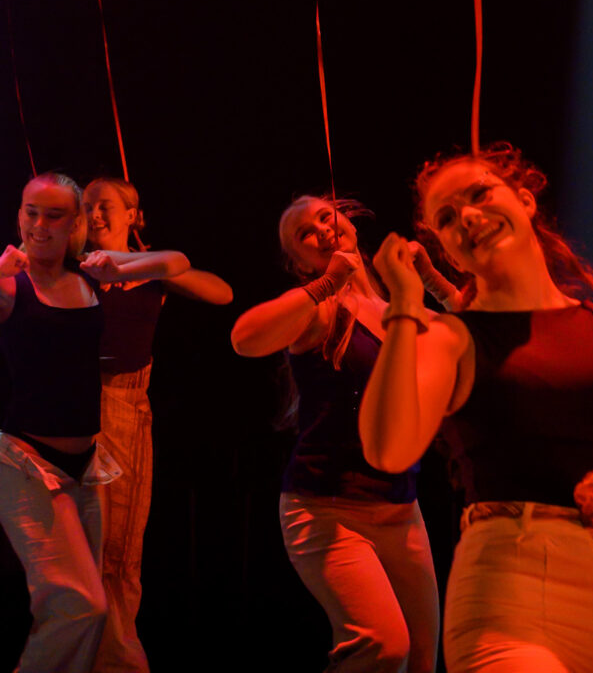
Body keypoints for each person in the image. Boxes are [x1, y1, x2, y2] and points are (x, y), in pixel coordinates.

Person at [359, 143, 593, 673]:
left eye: (480, 194)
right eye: (446, 218)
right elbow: (387, 450)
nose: (467, 216)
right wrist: (402, 306)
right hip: (509, 602)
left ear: (526, 200)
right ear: (448, 253)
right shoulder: (452, 339)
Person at [231, 195, 441, 673]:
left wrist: (432, 282)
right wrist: (327, 283)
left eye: (326, 216)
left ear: (348, 220)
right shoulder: (321, 310)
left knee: (422, 660)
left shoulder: (400, 312)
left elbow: (475, 343)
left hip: (401, 509)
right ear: (299, 260)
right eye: (306, 233)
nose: (322, 230)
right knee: (383, 647)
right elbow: (244, 338)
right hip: (327, 509)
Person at [0, 172, 190, 673]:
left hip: (87, 467)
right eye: (31, 212)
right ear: (19, 216)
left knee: (94, 602)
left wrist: (114, 260)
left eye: (55, 215)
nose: (40, 225)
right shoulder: (11, 284)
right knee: (80, 605)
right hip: (27, 464)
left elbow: (176, 262)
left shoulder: (88, 275)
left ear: (75, 223)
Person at [81, 176, 233, 673]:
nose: (94, 214)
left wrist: (129, 263)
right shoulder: (74, 266)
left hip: (126, 408)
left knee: (119, 548)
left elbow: (221, 292)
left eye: (104, 205)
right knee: (78, 549)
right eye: (87, 206)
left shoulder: (151, 270)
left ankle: (115, 660)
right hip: (73, 409)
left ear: (131, 215)